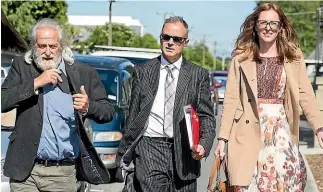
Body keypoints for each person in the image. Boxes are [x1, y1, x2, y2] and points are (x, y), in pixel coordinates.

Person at [214, 3, 323, 191]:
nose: (268, 28)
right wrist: (222, 139)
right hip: (247, 132)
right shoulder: (241, 58)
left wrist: (319, 128)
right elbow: (231, 99)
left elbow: (306, 95)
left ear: (281, 27)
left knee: (285, 182)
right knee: (247, 183)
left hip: (282, 134)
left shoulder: (293, 57)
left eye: (273, 23)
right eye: (263, 23)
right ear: (255, 25)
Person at [1, 18, 115, 191]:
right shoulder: (22, 67)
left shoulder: (83, 73)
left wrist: (88, 107)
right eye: (41, 46)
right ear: (34, 46)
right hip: (25, 172)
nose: (47, 52)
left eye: (52, 46)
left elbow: (108, 112)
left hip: (62, 173)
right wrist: (35, 83)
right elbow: (3, 100)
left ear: (62, 46)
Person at [116, 16, 216, 192]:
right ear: (160, 38)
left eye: (176, 39)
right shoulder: (143, 71)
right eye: (166, 37)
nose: (170, 42)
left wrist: (204, 144)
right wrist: (126, 152)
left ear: (185, 42)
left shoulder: (197, 75)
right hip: (150, 148)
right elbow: (134, 116)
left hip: (186, 151)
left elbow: (206, 115)